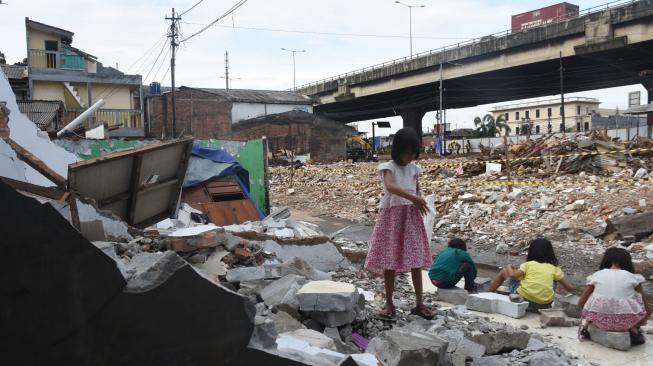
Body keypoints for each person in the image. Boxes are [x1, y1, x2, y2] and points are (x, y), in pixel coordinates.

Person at [364, 128, 434, 320]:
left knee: (416, 260)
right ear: (398, 149)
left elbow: (417, 191)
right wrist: (414, 198)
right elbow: (390, 186)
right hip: (392, 218)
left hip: (411, 217)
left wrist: (419, 202)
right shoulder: (388, 167)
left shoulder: (414, 169)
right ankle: (389, 303)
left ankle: (419, 303)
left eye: (413, 153)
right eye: (407, 152)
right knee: (389, 260)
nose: (410, 157)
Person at [578, 248, 650, 345]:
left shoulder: (597, 275)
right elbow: (646, 309)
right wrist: (639, 323)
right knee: (636, 298)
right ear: (627, 262)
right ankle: (632, 330)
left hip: (599, 322)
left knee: (594, 297)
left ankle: (592, 328)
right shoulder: (634, 278)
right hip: (626, 324)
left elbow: (581, 303)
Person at [488, 238, 574, 312]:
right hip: (544, 306)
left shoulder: (528, 265)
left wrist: (509, 266)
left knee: (504, 272)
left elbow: (513, 276)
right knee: (554, 280)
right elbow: (570, 288)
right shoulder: (554, 268)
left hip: (523, 301)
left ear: (531, 251)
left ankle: (489, 294)